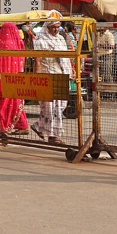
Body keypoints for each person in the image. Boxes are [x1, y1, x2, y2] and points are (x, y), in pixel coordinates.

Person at [32, 17, 71, 145]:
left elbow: (66, 56)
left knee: (61, 105)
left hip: (61, 74)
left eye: (57, 27)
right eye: (53, 27)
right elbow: (38, 58)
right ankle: (53, 135)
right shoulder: (40, 39)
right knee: (51, 107)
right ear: (47, 27)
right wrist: (38, 74)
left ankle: (39, 126)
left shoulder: (60, 38)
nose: (56, 29)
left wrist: (72, 70)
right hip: (48, 74)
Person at [0, 21, 31, 135]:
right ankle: (22, 125)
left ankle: (3, 126)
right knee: (15, 101)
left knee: (4, 101)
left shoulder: (2, 42)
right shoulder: (19, 42)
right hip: (17, 78)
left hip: (5, 78)